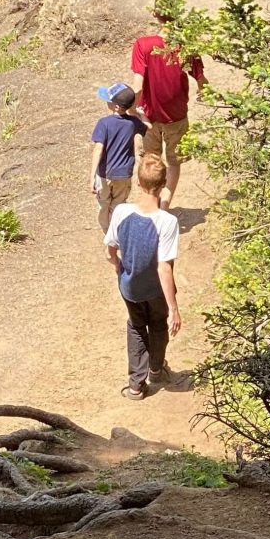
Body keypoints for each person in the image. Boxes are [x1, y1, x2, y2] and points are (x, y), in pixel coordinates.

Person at [105, 152, 181, 400]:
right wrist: (174, 308)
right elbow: (164, 268)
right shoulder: (167, 222)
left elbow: (110, 250)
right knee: (158, 325)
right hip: (155, 290)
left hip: (129, 286)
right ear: (163, 186)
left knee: (137, 327)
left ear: (138, 183)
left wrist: (118, 266)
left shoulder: (121, 212)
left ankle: (136, 385)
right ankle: (156, 370)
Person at [129, 25, 205, 209]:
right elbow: (200, 77)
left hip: (150, 115)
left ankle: (150, 204)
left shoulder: (143, 45)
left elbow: (138, 84)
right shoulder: (185, 45)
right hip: (177, 114)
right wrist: (203, 92)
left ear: (155, 15)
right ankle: (164, 206)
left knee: (150, 161)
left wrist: (133, 110)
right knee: (173, 162)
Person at [89, 82, 145, 237]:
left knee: (103, 204)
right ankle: (116, 231)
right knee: (118, 204)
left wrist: (92, 176)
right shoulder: (133, 123)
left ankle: (107, 232)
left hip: (104, 173)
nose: (106, 101)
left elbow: (98, 149)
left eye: (108, 100)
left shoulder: (104, 123)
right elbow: (149, 127)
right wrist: (140, 114)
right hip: (123, 174)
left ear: (115, 107)